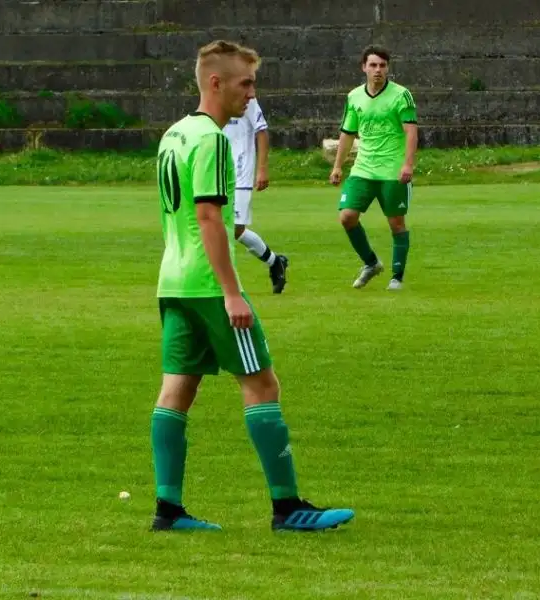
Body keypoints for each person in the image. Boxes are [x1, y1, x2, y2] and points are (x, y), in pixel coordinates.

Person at [151, 40, 354, 532]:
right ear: (215, 82)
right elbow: (207, 216)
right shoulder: (214, 141)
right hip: (206, 283)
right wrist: (231, 291)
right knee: (262, 383)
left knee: (177, 388)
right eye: (245, 83)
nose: (251, 93)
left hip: (172, 281)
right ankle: (288, 508)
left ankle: (168, 510)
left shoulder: (173, 135)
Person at [330, 45, 418, 290]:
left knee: (396, 224)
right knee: (347, 217)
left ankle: (396, 277)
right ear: (364, 67)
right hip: (363, 169)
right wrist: (338, 166)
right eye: (373, 65)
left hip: (392, 170)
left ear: (388, 68)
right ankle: (371, 263)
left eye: (382, 65)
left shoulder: (401, 95)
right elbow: (347, 133)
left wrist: (407, 164)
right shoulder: (354, 96)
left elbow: (411, 132)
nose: (378, 70)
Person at [222, 98, 289, 294]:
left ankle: (227, 284)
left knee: (234, 229)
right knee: (226, 228)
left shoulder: (246, 98)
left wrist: (262, 169)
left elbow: (261, 131)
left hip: (241, 172)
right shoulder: (213, 96)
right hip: (217, 171)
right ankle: (275, 262)